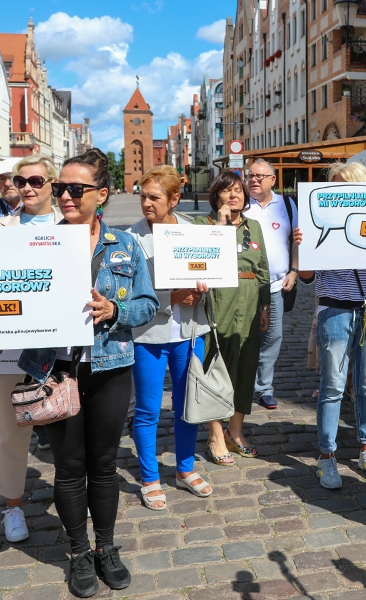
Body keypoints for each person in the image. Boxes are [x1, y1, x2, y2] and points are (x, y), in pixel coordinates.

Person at [18, 149, 158, 598]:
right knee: (68, 466)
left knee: (103, 464)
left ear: (102, 194)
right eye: (60, 188)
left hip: (111, 366)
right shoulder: (36, 243)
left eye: (75, 189)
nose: (64, 197)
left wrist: (115, 308)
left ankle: (106, 547)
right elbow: (8, 306)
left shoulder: (125, 245)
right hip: (54, 370)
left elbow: (148, 304)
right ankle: (78, 552)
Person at [0, 154, 63, 546]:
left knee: (65, 427)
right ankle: (13, 505)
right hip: (7, 348)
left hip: (60, 347)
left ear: (53, 183)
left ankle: (72, 495)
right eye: (22, 181)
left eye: (37, 180)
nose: (29, 187)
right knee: (11, 430)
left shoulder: (71, 228)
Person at [299, 161, 366, 490]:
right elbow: (305, 276)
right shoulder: (322, 225)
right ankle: (326, 456)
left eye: (349, 189)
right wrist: (300, 245)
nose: (343, 196)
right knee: (332, 387)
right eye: (337, 189)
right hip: (335, 310)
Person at [128, 165, 214, 505]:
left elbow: (208, 273)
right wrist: (171, 298)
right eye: (143, 197)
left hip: (190, 332)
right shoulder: (132, 239)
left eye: (154, 197)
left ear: (174, 199)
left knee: (186, 406)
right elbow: (130, 294)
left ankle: (185, 469)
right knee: (148, 409)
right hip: (150, 335)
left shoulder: (193, 231)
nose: (146, 203)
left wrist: (205, 287)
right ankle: (150, 477)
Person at [193, 171, 271, 464]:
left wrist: (265, 307)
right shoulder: (203, 224)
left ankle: (235, 430)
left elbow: (263, 268)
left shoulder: (254, 227)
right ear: (216, 196)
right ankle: (215, 433)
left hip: (249, 299)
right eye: (227, 190)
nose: (233, 195)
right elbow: (203, 258)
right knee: (216, 362)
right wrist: (223, 227)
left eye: (238, 190)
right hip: (219, 298)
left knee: (247, 363)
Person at [246, 159, 300, 409]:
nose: (254, 179)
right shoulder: (241, 204)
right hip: (245, 285)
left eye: (259, 175)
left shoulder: (287, 205)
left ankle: (264, 388)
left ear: (272, 180)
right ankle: (242, 385)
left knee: (272, 336)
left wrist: (294, 270)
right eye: (250, 176)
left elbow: (296, 240)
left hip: (277, 284)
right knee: (245, 335)